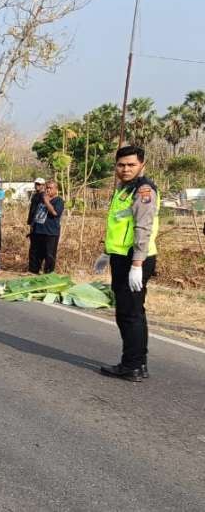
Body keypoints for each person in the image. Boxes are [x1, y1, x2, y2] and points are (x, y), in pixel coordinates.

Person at [99, 146, 159, 382]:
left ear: (141, 165)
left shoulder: (143, 190)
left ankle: (132, 365)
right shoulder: (124, 190)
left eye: (131, 165)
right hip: (121, 256)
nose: (125, 169)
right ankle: (137, 363)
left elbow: (142, 229)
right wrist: (106, 252)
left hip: (135, 259)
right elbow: (118, 225)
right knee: (132, 312)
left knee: (129, 314)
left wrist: (137, 264)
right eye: (121, 165)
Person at [27, 180, 64, 274]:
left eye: (50, 188)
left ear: (56, 189)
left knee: (49, 255)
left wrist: (47, 202)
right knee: (35, 253)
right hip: (37, 231)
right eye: (46, 188)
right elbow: (36, 213)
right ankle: (33, 271)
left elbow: (55, 213)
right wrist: (32, 225)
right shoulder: (41, 199)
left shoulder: (58, 200)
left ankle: (48, 273)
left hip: (50, 232)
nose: (47, 190)